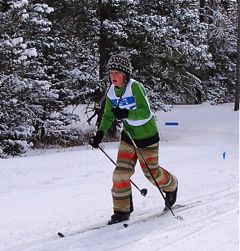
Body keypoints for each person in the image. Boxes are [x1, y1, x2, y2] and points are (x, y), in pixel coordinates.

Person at [89, 54, 178, 225]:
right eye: (111, 73)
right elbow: (108, 115)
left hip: (147, 137)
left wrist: (127, 113)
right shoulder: (110, 92)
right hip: (128, 137)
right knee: (120, 173)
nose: (113, 76)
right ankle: (122, 211)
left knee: (152, 174)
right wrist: (100, 134)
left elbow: (146, 112)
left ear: (126, 74)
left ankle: (172, 185)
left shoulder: (135, 87)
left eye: (117, 73)